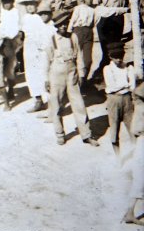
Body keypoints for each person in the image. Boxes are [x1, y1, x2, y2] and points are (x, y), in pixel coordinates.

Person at [46, 11, 99, 146]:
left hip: (72, 74)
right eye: (60, 25)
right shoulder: (51, 39)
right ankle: (60, 134)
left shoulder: (73, 37)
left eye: (65, 24)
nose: (63, 27)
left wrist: (81, 74)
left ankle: (86, 134)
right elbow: (46, 61)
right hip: (56, 75)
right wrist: (46, 79)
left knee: (79, 103)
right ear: (56, 26)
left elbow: (79, 56)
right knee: (57, 105)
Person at [103, 42, 136, 154]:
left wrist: (124, 85)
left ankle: (137, 155)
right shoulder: (107, 69)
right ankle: (118, 158)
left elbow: (133, 85)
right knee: (114, 130)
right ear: (110, 57)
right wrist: (125, 84)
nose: (119, 59)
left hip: (127, 100)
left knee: (133, 128)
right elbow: (112, 87)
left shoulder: (128, 67)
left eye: (120, 56)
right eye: (116, 57)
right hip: (114, 100)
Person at [123, 81, 144, 225]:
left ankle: (130, 211)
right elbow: (137, 129)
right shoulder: (141, 108)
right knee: (140, 178)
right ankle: (130, 212)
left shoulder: (139, 106)